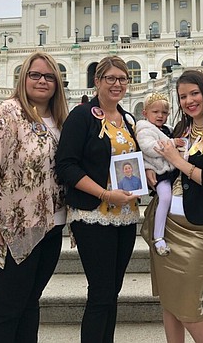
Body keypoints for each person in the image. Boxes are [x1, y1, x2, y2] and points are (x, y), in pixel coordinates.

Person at [0, 51, 69, 343]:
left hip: (50, 227)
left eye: (49, 76)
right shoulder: (6, 113)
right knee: (7, 307)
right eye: (35, 74)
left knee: (29, 303)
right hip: (8, 229)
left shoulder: (60, 119)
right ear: (23, 78)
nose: (42, 81)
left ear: (58, 83)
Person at [144, 70, 203, 343]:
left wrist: (180, 161)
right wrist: (153, 173)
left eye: (194, 93)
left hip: (198, 229)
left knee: (188, 309)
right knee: (170, 305)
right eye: (183, 96)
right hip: (168, 229)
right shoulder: (180, 130)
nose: (189, 101)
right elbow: (166, 167)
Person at [55, 55, 139, 343]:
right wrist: (105, 193)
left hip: (125, 215)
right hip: (94, 214)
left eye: (123, 79)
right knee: (101, 292)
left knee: (112, 291)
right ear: (97, 81)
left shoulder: (127, 118)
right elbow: (66, 165)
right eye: (110, 78)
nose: (117, 84)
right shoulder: (82, 116)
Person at [136, 92, 185, 256]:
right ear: (145, 113)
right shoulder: (144, 129)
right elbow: (150, 148)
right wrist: (172, 143)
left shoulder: (167, 129)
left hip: (171, 171)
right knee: (165, 198)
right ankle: (158, 237)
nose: (160, 116)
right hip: (160, 173)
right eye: (155, 112)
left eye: (164, 113)